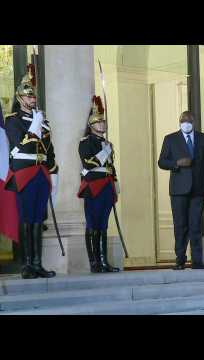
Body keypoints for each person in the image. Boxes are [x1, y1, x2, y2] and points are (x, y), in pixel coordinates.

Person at [4, 64, 58, 279]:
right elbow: (22, 143)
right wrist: (35, 125)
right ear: (20, 98)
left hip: (41, 173)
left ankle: (38, 263)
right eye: (28, 96)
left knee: (38, 219)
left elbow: (50, 151)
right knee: (27, 218)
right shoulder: (13, 120)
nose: (32, 99)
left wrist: (55, 172)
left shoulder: (43, 122)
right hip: (24, 173)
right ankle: (27, 264)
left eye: (33, 96)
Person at [158, 111, 204, 270]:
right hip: (178, 190)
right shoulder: (170, 139)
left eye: (189, 120)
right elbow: (161, 161)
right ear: (179, 122)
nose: (186, 123)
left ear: (194, 121)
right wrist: (176, 163)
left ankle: (197, 261)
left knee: (196, 225)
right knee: (180, 225)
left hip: (199, 190)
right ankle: (180, 260)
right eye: (183, 120)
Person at [77, 96, 120, 273]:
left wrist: (115, 181)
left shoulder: (107, 143)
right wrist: (104, 152)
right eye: (98, 122)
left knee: (103, 225)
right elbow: (88, 163)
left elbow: (111, 167)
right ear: (91, 125)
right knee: (92, 223)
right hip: (93, 186)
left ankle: (104, 261)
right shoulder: (85, 142)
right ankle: (94, 262)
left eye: (103, 122)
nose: (102, 124)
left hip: (107, 186)